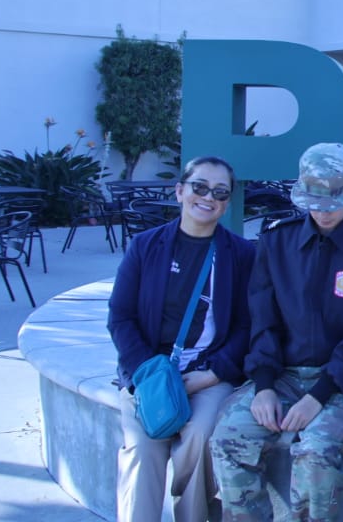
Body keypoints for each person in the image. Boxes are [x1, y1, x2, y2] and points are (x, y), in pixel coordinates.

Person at [210, 143, 343, 522]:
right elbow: (262, 319)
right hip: (280, 375)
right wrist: (263, 385)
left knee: (316, 449)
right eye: (313, 200)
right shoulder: (277, 240)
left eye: (332, 200)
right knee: (228, 439)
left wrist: (319, 396)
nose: (322, 211)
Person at [108, 155, 256, 522]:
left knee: (200, 436)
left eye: (220, 192)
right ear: (180, 191)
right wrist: (146, 374)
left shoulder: (241, 255)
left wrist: (214, 374)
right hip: (151, 373)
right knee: (142, 448)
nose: (208, 197)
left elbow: (247, 326)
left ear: (227, 202)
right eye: (200, 187)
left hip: (207, 375)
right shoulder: (145, 247)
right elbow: (121, 317)